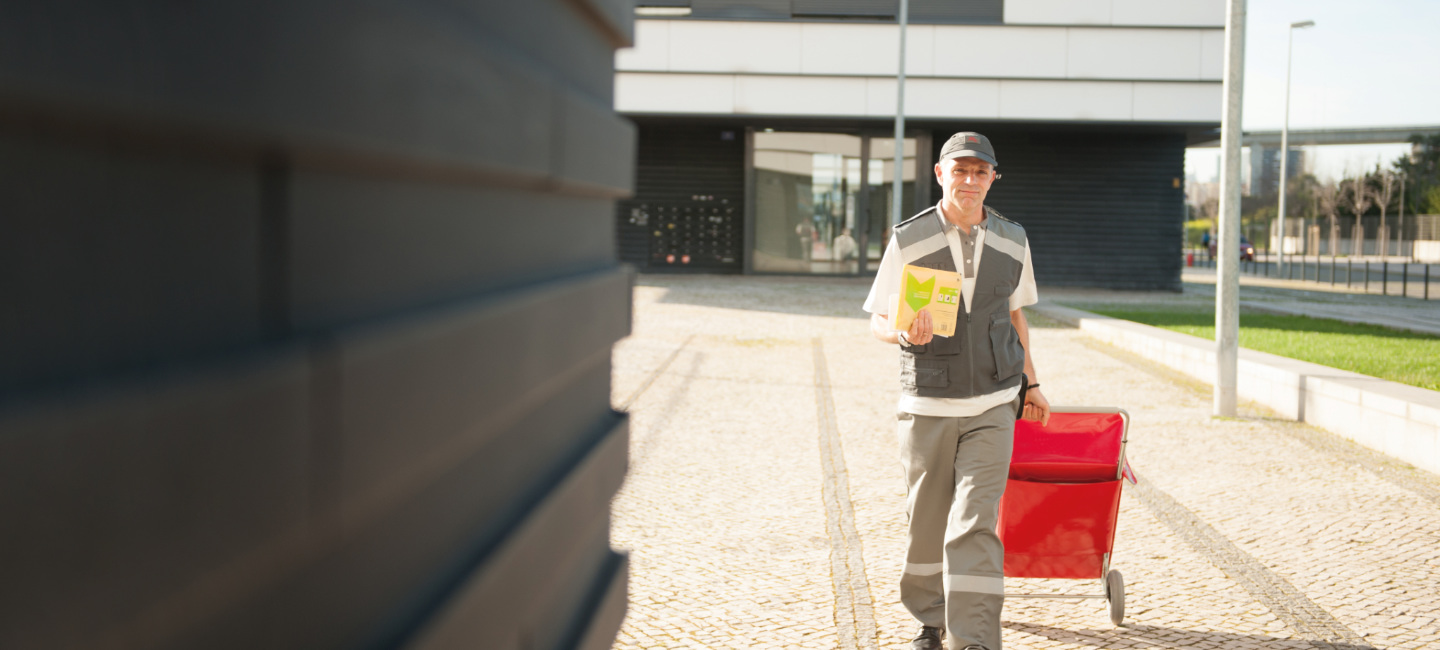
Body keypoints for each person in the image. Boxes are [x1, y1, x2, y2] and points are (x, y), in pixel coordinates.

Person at [862, 131, 1050, 650]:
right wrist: (900, 332)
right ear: (941, 174)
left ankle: (975, 638)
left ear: (992, 178)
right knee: (926, 524)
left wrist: (1031, 383)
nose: (970, 181)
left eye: (980, 172)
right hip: (927, 402)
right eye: (959, 170)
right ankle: (929, 620)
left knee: (975, 522)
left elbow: (1016, 316)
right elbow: (878, 316)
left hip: (994, 400)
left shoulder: (1014, 238)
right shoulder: (909, 238)